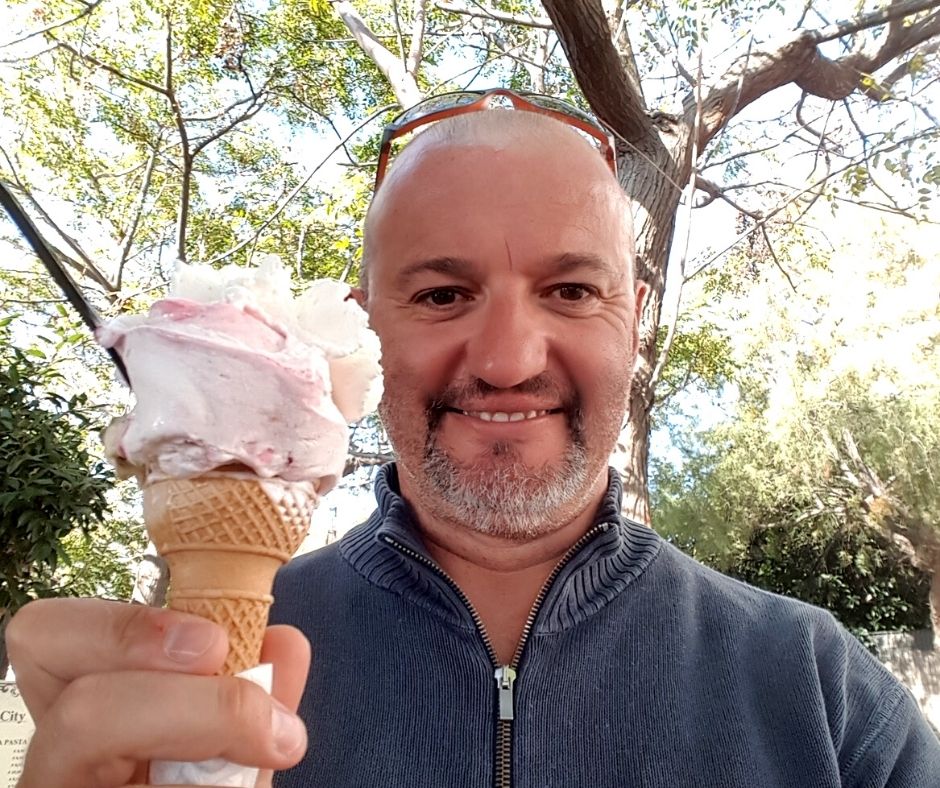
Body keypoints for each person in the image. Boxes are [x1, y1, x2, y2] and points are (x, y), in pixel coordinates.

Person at [7, 89, 940, 788]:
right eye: (442, 293)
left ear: (634, 319)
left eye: (571, 290)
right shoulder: (196, 672)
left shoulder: (820, 691)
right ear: (364, 328)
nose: (504, 360)